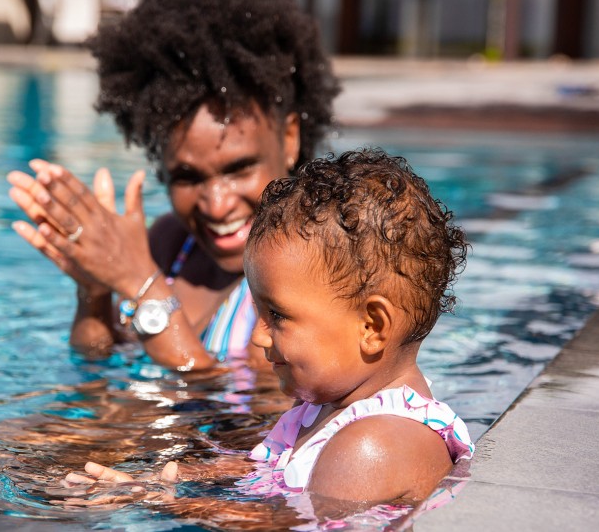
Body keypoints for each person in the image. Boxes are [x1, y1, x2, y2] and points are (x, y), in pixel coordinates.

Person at [61, 148, 475, 511]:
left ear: (371, 326)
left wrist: (173, 505)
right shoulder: (327, 410)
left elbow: (288, 526)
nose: (259, 336)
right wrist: (162, 479)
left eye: (277, 316)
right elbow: (265, 466)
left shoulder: (374, 445)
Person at [7, 0, 340, 371]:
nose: (217, 203)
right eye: (187, 176)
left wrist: (140, 283)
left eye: (239, 168)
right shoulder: (172, 246)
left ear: (288, 139)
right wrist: (94, 290)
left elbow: (255, 418)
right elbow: (97, 362)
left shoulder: (305, 264)